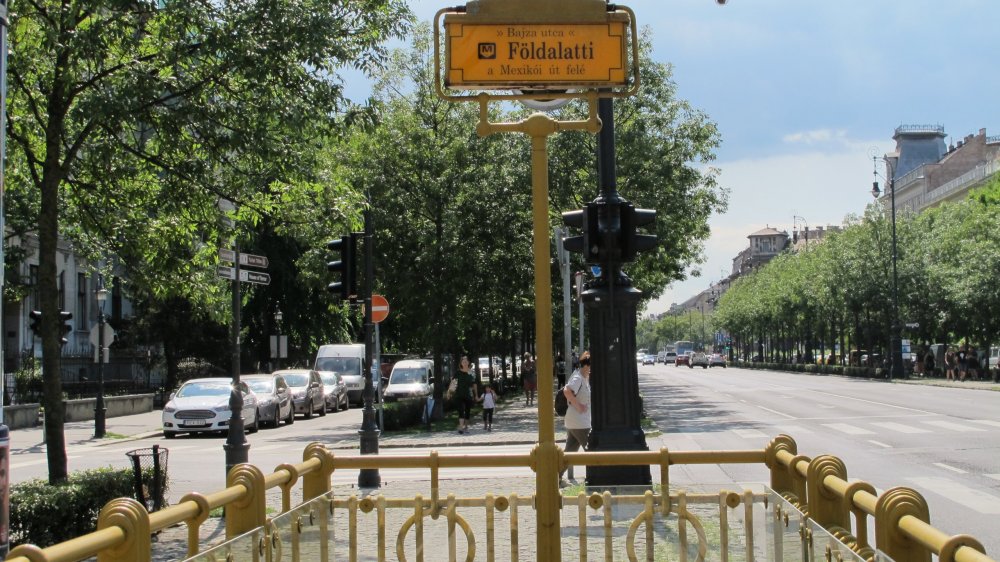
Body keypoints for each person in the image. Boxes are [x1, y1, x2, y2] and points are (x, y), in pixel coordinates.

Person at [560, 351, 591, 485]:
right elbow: (567, 391)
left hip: (577, 421)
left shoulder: (584, 378)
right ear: (586, 366)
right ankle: (595, 477)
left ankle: (555, 477)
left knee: (569, 452)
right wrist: (578, 406)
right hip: (579, 422)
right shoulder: (578, 378)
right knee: (591, 450)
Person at [454, 356, 479, 434]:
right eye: (463, 362)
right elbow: (453, 383)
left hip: (468, 394)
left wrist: (476, 395)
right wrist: (449, 391)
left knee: (467, 411)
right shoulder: (458, 373)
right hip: (459, 394)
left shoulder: (472, 373)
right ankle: (461, 427)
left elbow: (474, 384)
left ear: (468, 362)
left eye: (466, 361)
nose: (464, 363)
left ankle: (466, 426)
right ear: (461, 363)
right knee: (461, 410)